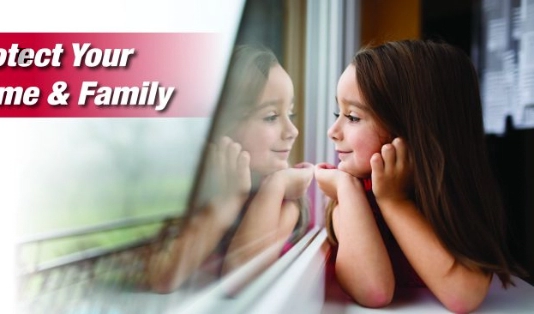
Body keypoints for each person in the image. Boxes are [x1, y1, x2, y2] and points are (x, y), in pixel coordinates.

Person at [314, 39, 525, 313]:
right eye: (337, 113)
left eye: (352, 117)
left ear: (411, 129)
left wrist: (394, 201)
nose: (333, 130)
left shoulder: (452, 199)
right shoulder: (353, 193)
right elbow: (374, 291)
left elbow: (464, 295)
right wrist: (346, 188)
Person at [147, 45, 313, 293]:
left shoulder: (287, 199)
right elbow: (162, 279)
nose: (293, 131)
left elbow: (239, 277)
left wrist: (274, 185)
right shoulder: (193, 195)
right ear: (222, 127)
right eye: (271, 117)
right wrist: (225, 204)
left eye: (291, 113)